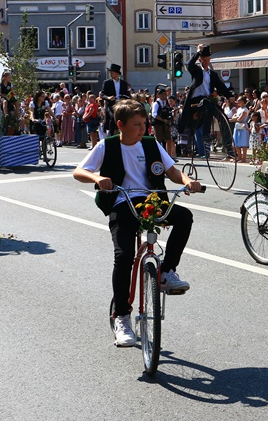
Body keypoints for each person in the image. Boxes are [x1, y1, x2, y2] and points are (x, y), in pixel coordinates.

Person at [73, 100, 203, 347]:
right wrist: (97, 177)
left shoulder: (151, 144)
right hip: (122, 203)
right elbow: (79, 171)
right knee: (124, 257)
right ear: (121, 125)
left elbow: (172, 171)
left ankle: (166, 272)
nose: (143, 129)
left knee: (184, 217)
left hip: (152, 200)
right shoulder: (107, 146)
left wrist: (187, 180)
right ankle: (122, 316)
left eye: (144, 123)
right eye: (137, 125)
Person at [181, 44, 233, 158]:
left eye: (208, 59)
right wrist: (198, 52)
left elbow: (221, 86)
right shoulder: (196, 71)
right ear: (200, 60)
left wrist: (230, 96)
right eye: (204, 60)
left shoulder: (212, 74)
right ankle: (205, 134)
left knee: (222, 118)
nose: (206, 62)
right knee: (207, 104)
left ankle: (229, 148)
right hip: (196, 101)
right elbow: (189, 64)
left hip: (207, 100)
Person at [99, 63, 132, 136]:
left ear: (117, 73)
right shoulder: (107, 83)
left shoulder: (124, 83)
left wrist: (124, 99)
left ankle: (123, 132)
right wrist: (108, 97)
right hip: (111, 105)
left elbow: (127, 95)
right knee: (113, 117)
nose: (110, 74)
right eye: (110, 72)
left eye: (112, 73)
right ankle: (111, 133)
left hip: (121, 104)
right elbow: (102, 94)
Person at [151, 85, 175, 158]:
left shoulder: (166, 103)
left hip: (166, 124)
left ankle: (169, 156)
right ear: (160, 95)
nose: (165, 96)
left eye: (166, 94)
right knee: (158, 140)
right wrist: (162, 120)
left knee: (169, 140)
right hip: (158, 124)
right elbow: (154, 114)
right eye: (164, 94)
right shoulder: (156, 104)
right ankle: (158, 155)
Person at [231, 95, 250, 162]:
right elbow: (235, 117)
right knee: (236, 142)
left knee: (244, 143)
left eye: (239, 100)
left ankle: (244, 158)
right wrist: (235, 119)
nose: (238, 101)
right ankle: (239, 157)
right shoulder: (238, 109)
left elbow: (240, 119)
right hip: (237, 126)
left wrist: (234, 119)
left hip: (243, 126)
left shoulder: (245, 110)